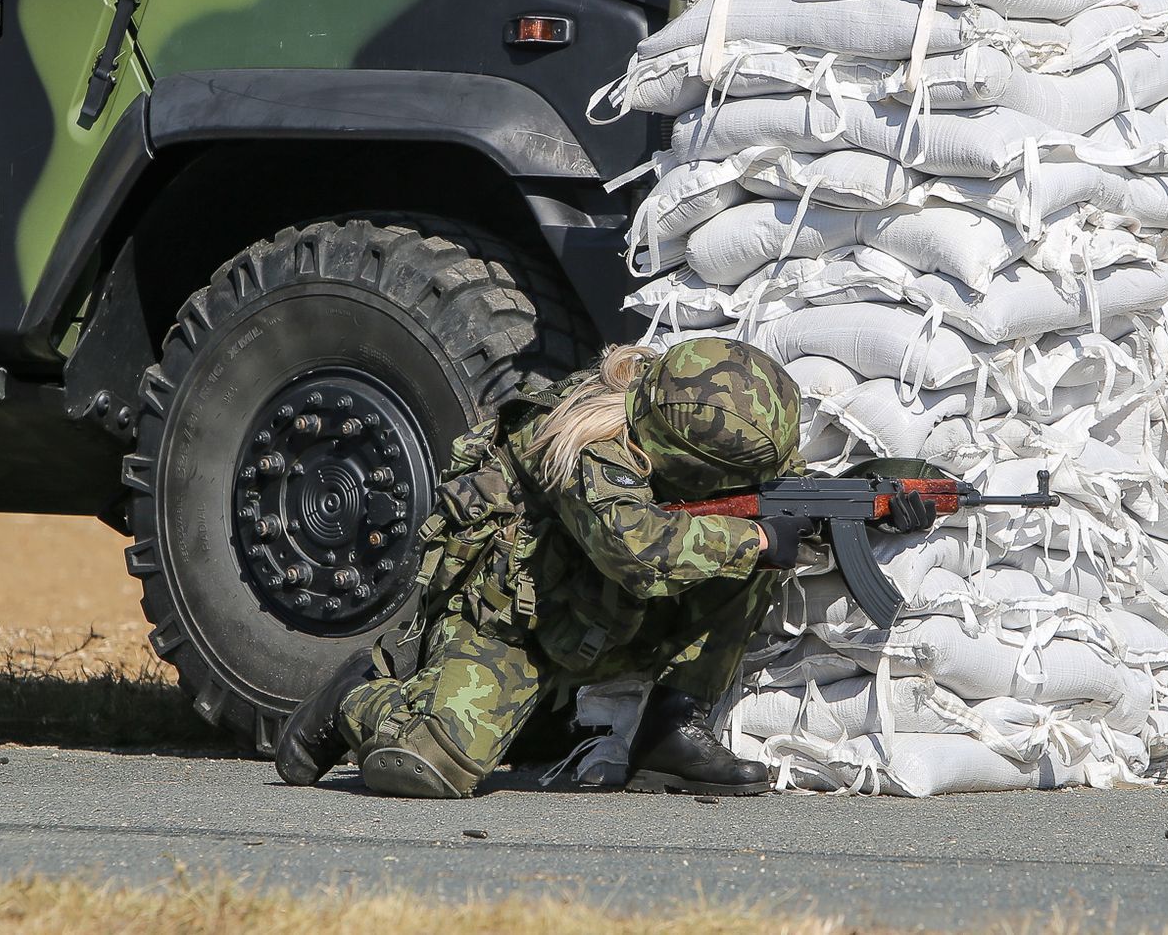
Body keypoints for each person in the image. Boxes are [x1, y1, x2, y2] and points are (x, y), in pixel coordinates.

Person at [273, 336, 819, 799]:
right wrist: (757, 537)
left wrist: (890, 494)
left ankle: (673, 727)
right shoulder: (591, 446)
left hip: (600, 620)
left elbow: (800, 486)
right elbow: (636, 552)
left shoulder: (720, 436)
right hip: (513, 624)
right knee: (433, 764)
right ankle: (356, 695)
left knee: (758, 543)